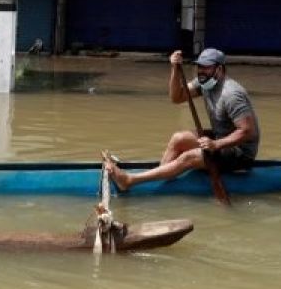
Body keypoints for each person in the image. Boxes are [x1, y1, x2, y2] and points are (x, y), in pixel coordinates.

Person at [106, 48, 259, 191]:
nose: (201, 71)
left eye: (206, 67)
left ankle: (130, 181)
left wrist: (216, 144)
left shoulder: (231, 94)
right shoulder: (205, 83)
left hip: (240, 153)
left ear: (219, 69)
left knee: (188, 157)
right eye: (199, 67)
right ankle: (159, 182)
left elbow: (248, 131)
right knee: (178, 138)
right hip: (220, 139)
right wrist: (175, 69)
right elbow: (177, 97)